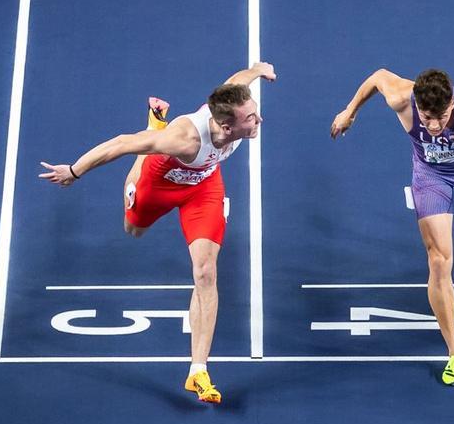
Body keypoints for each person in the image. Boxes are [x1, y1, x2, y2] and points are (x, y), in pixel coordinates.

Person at [39, 62, 276, 403]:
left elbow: (239, 80)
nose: (259, 121)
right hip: (160, 182)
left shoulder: (233, 104)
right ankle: (151, 130)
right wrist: (74, 172)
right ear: (226, 125)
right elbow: (120, 143)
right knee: (132, 230)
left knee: (206, 272)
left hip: (204, 187)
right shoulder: (184, 138)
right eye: (251, 119)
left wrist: (259, 69)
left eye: (255, 113)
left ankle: (198, 371)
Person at [330, 68, 454, 386]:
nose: (432, 126)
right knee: (438, 259)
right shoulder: (401, 97)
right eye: (426, 117)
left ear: (451, 106)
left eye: (440, 117)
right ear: (416, 104)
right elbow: (377, 77)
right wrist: (349, 111)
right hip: (430, 177)